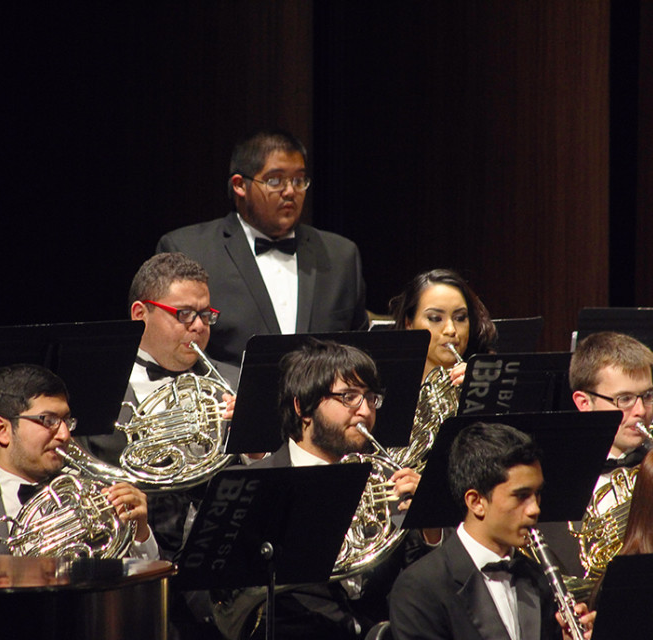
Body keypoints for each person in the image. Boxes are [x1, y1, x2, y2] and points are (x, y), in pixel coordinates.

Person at [218, 339, 420, 640]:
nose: (366, 411)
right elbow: (207, 585)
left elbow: (415, 582)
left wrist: (424, 522)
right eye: (349, 397)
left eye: (371, 398)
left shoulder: (382, 482)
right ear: (303, 407)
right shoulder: (251, 484)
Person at [389, 422, 592, 640]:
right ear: (476, 502)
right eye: (521, 496)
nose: (535, 510)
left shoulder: (535, 575)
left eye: (537, 495)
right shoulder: (420, 589)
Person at [156, 130, 368, 365]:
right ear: (239, 185)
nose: (290, 191)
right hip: (227, 397)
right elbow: (169, 349)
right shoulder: (189, 249)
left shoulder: (341, 255)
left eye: (299, 180)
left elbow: (359, 351)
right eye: (274, 180)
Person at [0, 363, 157, 559]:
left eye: (66, 421)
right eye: (48, 420)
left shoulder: (94, 501)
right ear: (1, 429)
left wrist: (141, 533)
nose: (64, 434)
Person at [78, 252, 239, 554]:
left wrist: (254, 448)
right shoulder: (90, 389)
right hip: (130, 559)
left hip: (224, 559)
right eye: (184, 314)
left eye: (206, 314)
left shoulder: (235, 382)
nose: (199, 326)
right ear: (140, 314)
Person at [570, 332, 653, 494]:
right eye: (625, 399)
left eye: (648, 396)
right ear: (584, 403)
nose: (640, 411)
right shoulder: (560, 475)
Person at [389, 268, 498, 386]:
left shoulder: (489, 381)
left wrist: (480, 391)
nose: (451, 330)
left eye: (460, 318)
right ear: (409, 323)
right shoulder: (386, 386)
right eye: (435, 318)